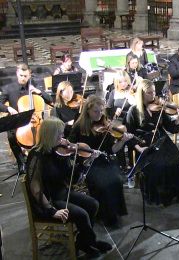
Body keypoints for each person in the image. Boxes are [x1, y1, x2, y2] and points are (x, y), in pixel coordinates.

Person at [25, 117, 112, 257]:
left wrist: (87, 161)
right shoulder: (36, 155)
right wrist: (52, 210)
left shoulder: (57, 151)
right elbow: (35, 188)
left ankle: (84, 242)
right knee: (82, 214)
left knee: (93, 204)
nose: (63, 137)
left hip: (62, 193)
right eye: (60, 134)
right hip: (49, 201)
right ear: (50, 135)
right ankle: (89, 242)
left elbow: (73, 180)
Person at [69, 95, 134, 226]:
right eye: (96, 111)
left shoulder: (106, 125)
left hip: (104, 159)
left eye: (101, 111)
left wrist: (122, 141)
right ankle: (103, 214)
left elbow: (112, 150)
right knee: (102, 183)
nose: (99, 114)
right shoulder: (79, 126)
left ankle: (115, 212)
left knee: (116, 180)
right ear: (87, 110)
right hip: (88, 163)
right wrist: (86, 155)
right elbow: (71, 147)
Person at [125, 79, 179, 206]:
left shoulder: (159, 108)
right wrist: (138, 148)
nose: (153, 95)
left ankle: (175, 193)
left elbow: (171, 128)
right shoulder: (133, 111)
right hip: (143, 142)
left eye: (154, 92)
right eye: (149, 93)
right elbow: (130, 135)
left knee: (175, 159)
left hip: (161, 138)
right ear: (141, 94)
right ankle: (159, 196)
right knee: (158, 165)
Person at [0, 63, 53, 173]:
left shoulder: (34, 85)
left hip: (35, 120)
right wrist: (8, 108)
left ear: (30, 75)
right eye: (21, 75)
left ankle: (43, 158)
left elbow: (50, 100)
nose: (23, 78)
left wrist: (40, 93)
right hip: (18, 121)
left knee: (45, 131)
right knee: (11, 136)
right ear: (17, 74)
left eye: (26, 76)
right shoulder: (8, 88)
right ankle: (21, 162)